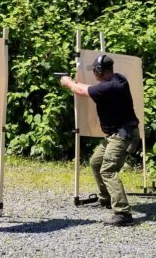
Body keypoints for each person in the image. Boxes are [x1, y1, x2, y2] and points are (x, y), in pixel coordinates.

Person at [60, 54, 140, 226]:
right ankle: (106, 199)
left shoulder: (108, 88)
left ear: (99, 70)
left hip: (123, 136)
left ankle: (123, 213)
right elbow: (90, 87)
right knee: (96, 162)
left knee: (108, 170)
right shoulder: (119, 80)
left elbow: (83, 91)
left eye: (95, 71)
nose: (94, 74)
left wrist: (67, 83)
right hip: (116, 135)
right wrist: (75, 83)